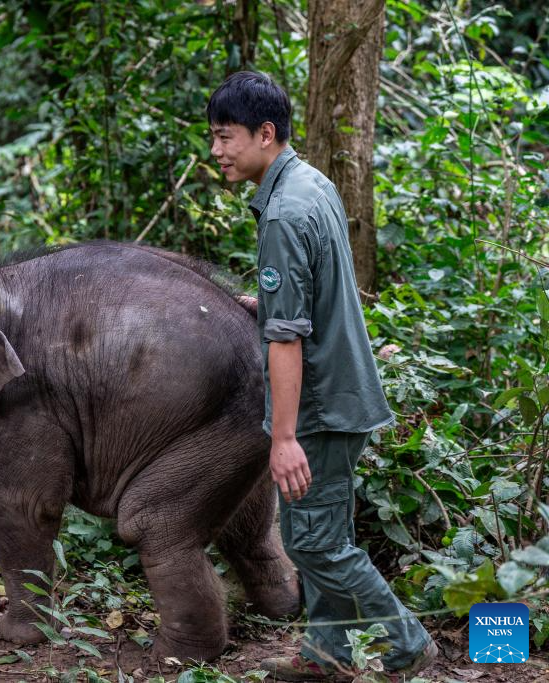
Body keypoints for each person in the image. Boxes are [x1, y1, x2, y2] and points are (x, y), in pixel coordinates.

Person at [206, 71, 436, 681]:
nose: (217, 152)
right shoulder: (312, 184)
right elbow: (314, 293)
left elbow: (288, 339)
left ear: (265, 133)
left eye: (226, 137)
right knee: (324, 531)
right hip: (348, 394)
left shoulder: (282, 213)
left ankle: (407, 642)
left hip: (323, 408)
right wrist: (272, 305)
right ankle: (324, 657)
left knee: (314, 544)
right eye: (213, 138)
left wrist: (283, 439)